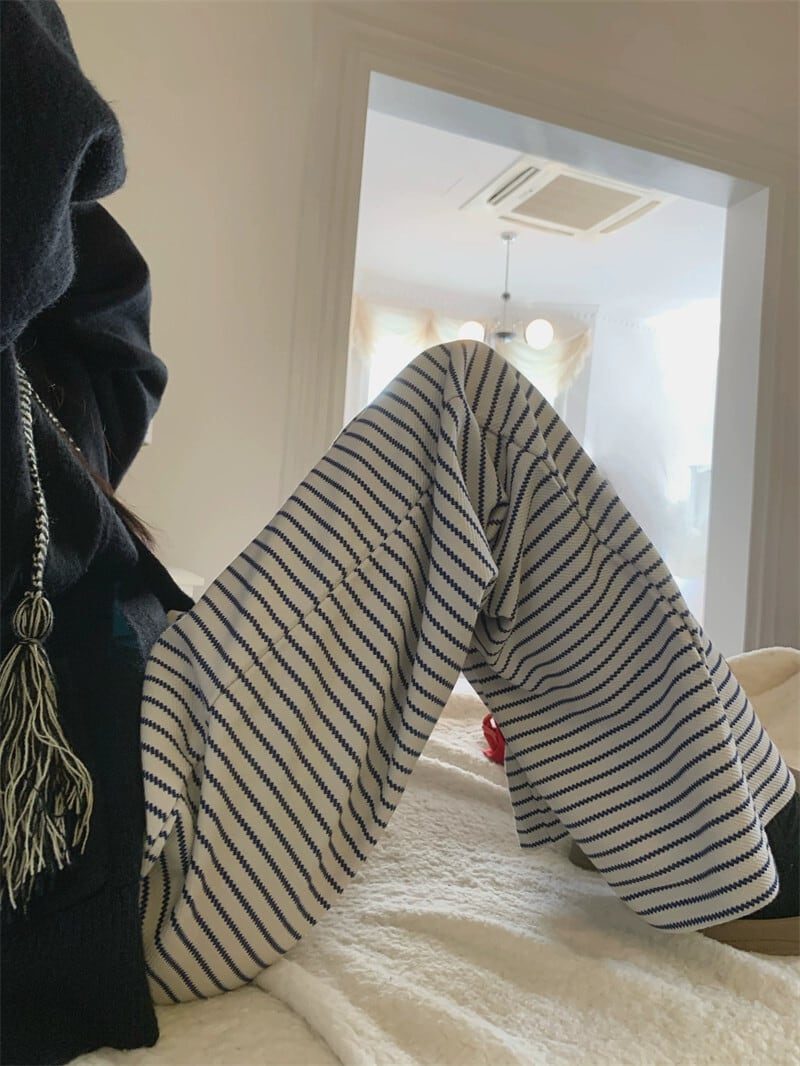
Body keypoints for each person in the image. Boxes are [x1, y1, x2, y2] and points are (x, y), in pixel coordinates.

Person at [1, 2, 797, 1064]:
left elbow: (109, 369)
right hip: (91, 850)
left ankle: (643, 800)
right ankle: (742, 845)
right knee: (471, 415)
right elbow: (52, 132)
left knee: (473, 440)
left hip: (105, 796)